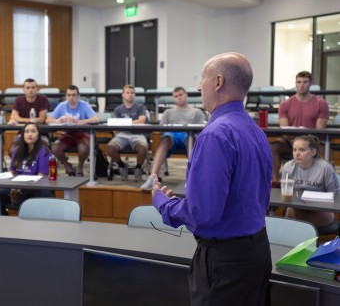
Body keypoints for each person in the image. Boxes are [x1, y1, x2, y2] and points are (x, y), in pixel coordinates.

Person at [151, 52, 272, 306]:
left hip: (224, 262)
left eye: (202, 78)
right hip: (257, 253)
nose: (198, 86)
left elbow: (203, 214)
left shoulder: (215, 135)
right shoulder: (257, 132)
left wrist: (164, 203)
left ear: (218, 82)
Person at [140, 86, 206, 190]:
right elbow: (162, 129)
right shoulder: (168, 112)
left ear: (186, 95)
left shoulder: (197, 112)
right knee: (166, 138)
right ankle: (152, 177)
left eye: (181, 95)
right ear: (173, 98)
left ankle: (194, 178)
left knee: (191, 139)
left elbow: (202, 129)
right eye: (176, 96)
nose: (179, 98)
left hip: (187, 135)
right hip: (172, 135)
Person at [270, 71, 329, 186]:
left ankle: (322, 184)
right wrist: (295, 142)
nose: (302, 85)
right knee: (273, 146)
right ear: (295, 83)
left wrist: (303, 142)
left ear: (310, 84)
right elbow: (284, 128)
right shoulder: (285, 104)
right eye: (299, 82)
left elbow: (319, 130)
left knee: (324, 149)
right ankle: (275, 181)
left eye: (305, 82)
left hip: (312, 142)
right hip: (290, 141)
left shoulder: (321, 104)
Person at [282, 135, 339, 228]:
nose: (297, 154)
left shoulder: (325, 168)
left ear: (313, 152)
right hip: (298, 209)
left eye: (302, 150)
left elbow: (336, 195)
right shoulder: (288, 167)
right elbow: (286, 191)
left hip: (320, 210)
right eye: (294, 150)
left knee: (296, 224)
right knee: (290, 211)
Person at [0, 123, 52, 214]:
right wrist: (13, 188)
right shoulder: (17, 149)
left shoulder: (44, 151)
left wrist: (20, 190)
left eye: (33, 131)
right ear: (23, 135)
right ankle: (4, 220)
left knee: (25, 198)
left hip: (36, 187)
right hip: (17, 186)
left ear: (39, 134)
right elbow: (12, 172)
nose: (30, 134)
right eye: (27, 131)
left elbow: (41, 176)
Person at [46, 85, 99, 176]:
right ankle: (67, 166)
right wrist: (57, 121)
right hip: (67, 134)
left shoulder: (84, 105)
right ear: (66, 96)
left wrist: (80, 122)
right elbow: (48, 120)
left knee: (83, 148)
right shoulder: (62, 106)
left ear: (78, 96)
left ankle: (80, 166)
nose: (71, 98)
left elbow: (96, 119)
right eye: (69, 95)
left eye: (74, 95)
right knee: (55, 148)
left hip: (82, 134)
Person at [106, 84, 148, 182]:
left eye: (132, 93)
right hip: (122, 134)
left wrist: (126, 122)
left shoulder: (140, 107)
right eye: (127, 93)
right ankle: (121, 165)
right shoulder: (118, 109)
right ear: (123, 95)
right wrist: (131, 122)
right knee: (109, 148)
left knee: (143, 148)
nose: (130, 95)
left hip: (137, 134)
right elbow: (115, 124)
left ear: (135, 95)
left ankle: (138, 168)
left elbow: (142, 120)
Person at [7, 78, 51, 155]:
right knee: (12, 150)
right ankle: (20, 167)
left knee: (43, 151)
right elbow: (14, 117)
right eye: (27, 88)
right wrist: (31, 121)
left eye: (33, 88)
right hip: (23, 133)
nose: (30, 90)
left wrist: (21, 119)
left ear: (37, 89)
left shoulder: (43, 99)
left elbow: (41, 119)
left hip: (41, 133)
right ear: (23, 89)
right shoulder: (18, 100)